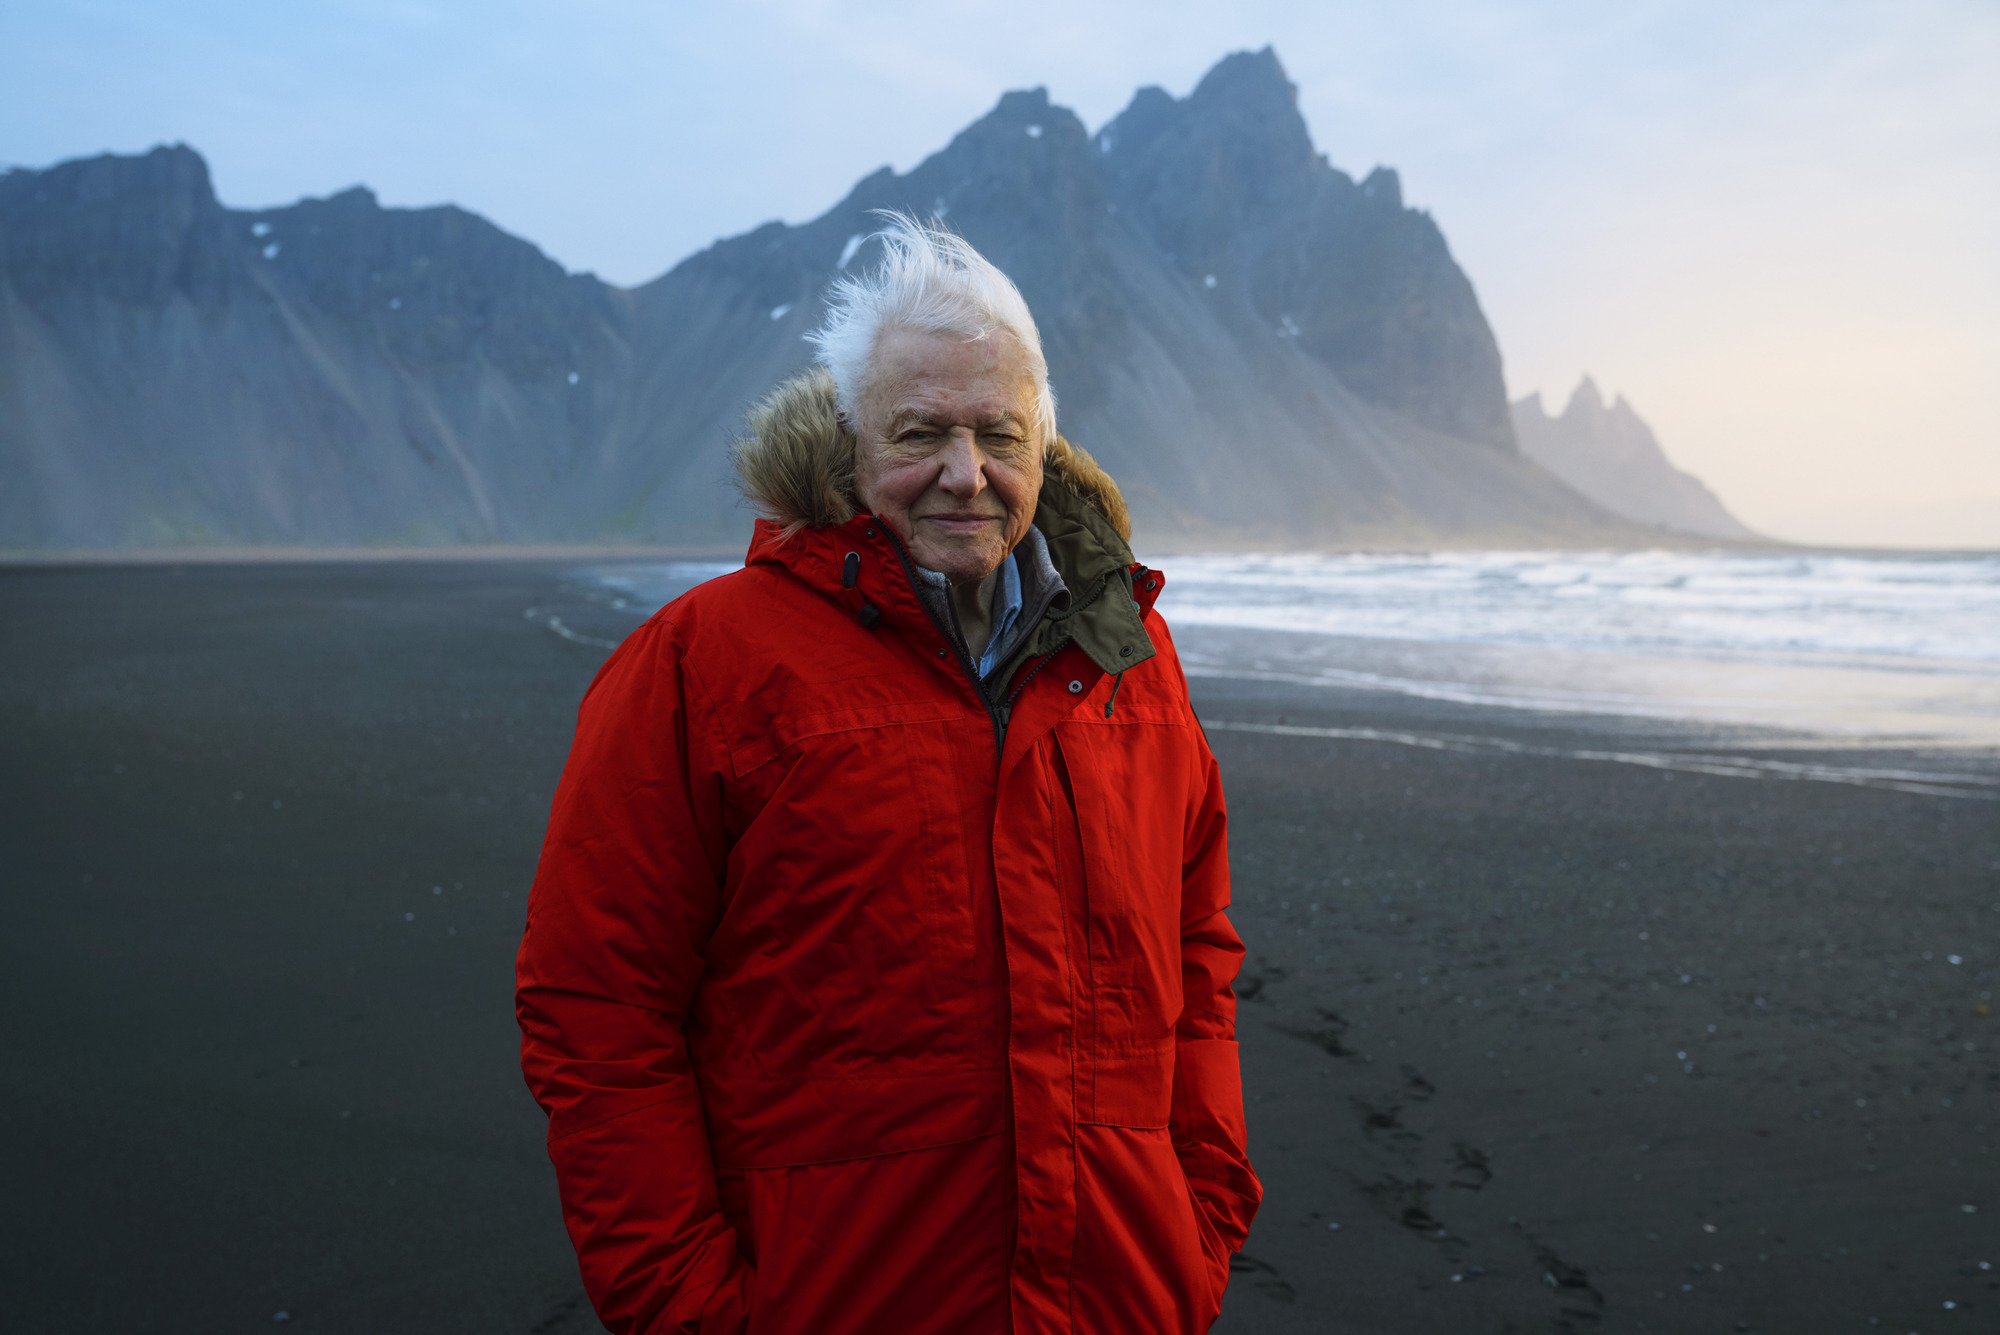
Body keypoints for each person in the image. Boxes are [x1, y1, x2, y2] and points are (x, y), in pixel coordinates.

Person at [516, 215, 1259, 1335]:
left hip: (1119, 1297)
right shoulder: (702, 664)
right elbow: (597, 1006)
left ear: (1040, 447)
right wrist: (686, 1306)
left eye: (997, 435)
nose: (964, 475)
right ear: (848, 446)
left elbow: (1196, 955)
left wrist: (1195, 1218)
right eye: (920, 433)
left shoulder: (1129, 667)